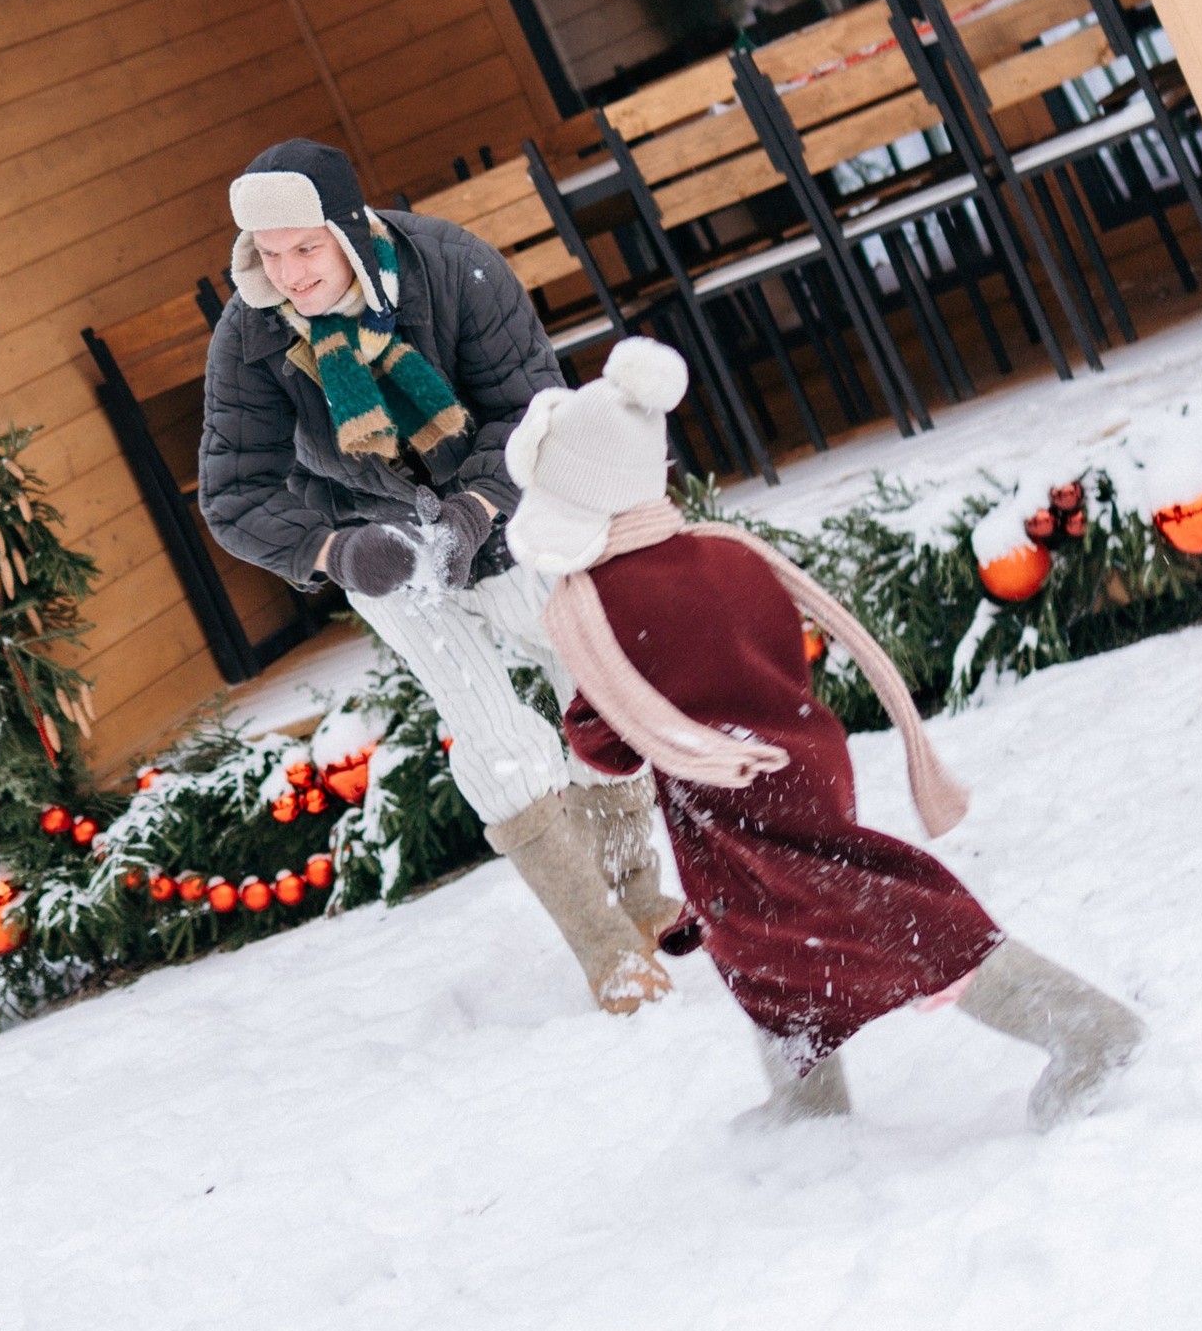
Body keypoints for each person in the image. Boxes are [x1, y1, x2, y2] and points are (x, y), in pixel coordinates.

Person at [504, 339, 1145, 1126]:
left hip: (731, 791)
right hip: (799, 754)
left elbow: (605, 745)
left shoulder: (604, 600)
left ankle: (1088, 1031)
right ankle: (806, 1097)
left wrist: (601, 693)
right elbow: (777, 650)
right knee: (756, 942)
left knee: (881, 914)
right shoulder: (727, 555)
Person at [198, 135, 679, 1011]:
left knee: (593, 688)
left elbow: (531, 406)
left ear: (349, 229)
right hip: (379, 553)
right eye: (270, 256)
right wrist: (333, 552)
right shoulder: (251, 334)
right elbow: (234, 492)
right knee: (497, 735)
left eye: (307, 248)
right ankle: (603, 946)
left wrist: (474, 509)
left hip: (501, 522)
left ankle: (642, 895)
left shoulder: (454, 268)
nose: (291, 274)